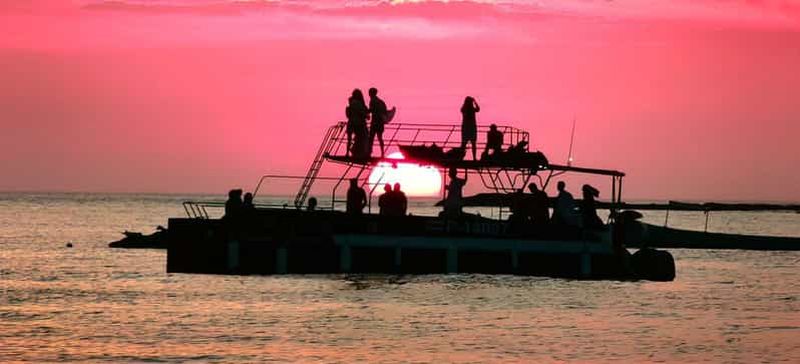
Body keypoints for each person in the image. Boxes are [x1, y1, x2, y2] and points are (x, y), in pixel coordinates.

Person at [368, 87, 391, 158]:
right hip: (380, 122)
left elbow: (371, 110)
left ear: (371, 93)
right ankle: (382, 153)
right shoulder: (381, 102)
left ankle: (369, 153)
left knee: (371, 138)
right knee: (380, 138)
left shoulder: (372, 101)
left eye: (369, 93)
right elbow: (385, 111)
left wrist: (365, 111)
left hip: (375, 122)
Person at [346, 89, 369, 158]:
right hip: (358, 124)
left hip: (351, 123)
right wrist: (366, 115)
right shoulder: (358, 103)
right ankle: (362, 152)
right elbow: (362, 112)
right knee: (363, 137)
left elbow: (348, 115)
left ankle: (348, 152)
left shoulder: (351, 103)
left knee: (349, 139)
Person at [460, 96, 480, 160]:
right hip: (471, 128)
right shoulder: (469, 109)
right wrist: (475, 102)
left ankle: (461, 157)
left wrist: (474, 102)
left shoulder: (465, 109)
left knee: (464, 144)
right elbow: (478, 109)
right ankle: (473, 158)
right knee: (471, 144)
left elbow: (478, 109)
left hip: (466, 128)